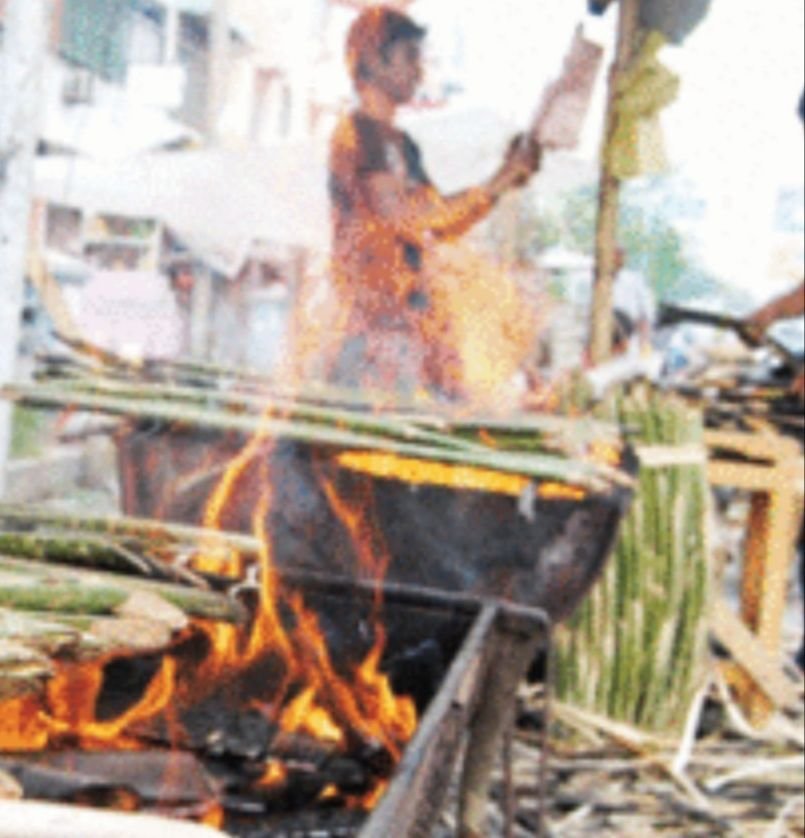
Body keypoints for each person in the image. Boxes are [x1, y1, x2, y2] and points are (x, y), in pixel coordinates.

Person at [326, 5, 542, 396]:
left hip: (409, 325)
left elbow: (442, 222)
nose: (420, 72)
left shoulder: (403, 144)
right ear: (374, 59)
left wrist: (504, 180)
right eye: (410, 57)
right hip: (372, 330)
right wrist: (496, 183)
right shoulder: (358, 134)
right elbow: (410, 217)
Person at [612, 245, 656, 356]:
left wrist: (644, 342)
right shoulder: (591, 283)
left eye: (620, 255)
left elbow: (646, 315)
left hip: (630, 342)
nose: (617, 259)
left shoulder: (635, 281)